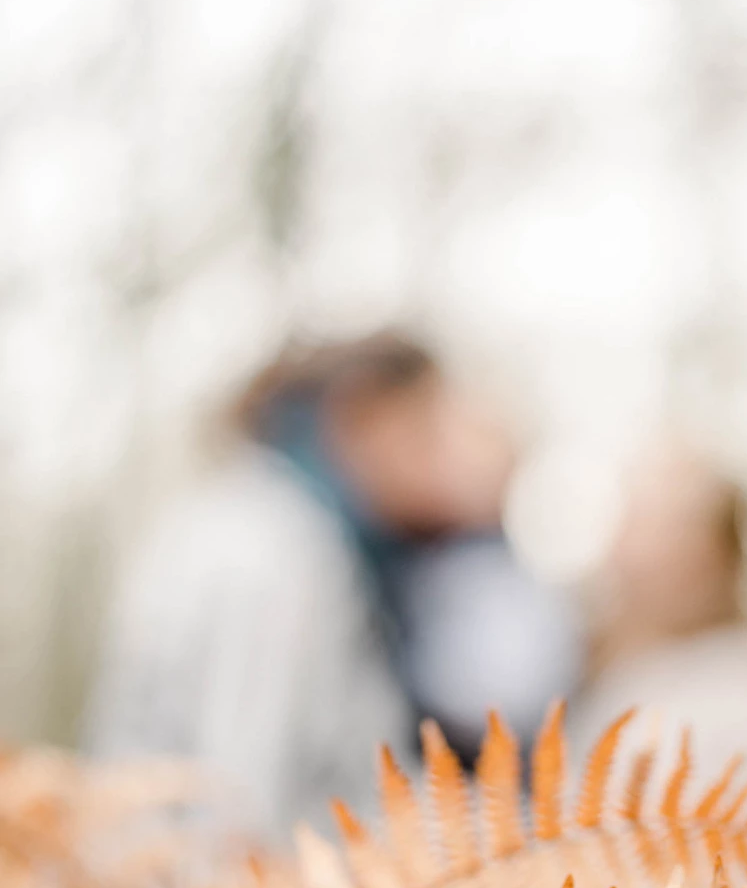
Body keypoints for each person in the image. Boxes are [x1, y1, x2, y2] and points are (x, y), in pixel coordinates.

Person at [88, 335, 580, 839]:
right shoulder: (273, 550)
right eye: (427, 432)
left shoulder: (296, 531)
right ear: (367, 421)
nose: (445, 460)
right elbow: (238, 799)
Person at [571, 450, 747, 857]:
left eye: (661, 527)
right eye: (630, 520)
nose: (626, 550)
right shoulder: (619, 677)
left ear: (717, 556)